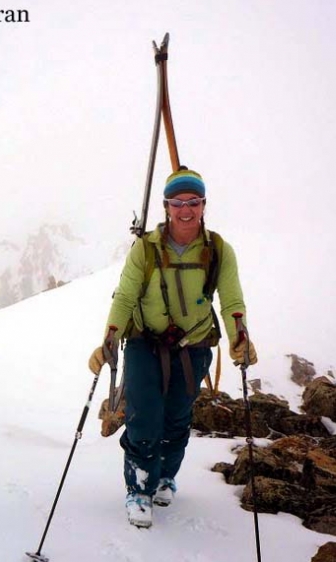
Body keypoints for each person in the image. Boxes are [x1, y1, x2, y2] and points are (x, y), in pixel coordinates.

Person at [88, 167, 257, 528]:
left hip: (193, 346)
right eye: (178, 202)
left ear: (203, 205)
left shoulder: (218, 250)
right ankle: (139, 488)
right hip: (143, 343)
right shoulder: (145, 250)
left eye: (193, 202)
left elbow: (231, 300)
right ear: (166, 206)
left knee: (177, 418)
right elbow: (125, 296)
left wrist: (239, 335)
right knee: (143, 417)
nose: (185, 210)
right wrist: (110, 338)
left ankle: (164, 475)